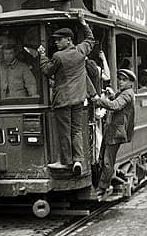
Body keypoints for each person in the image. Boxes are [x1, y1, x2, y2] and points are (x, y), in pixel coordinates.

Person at [37, 10, 95, 175]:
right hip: (79, 99)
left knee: (64, 131)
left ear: (68, 40)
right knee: (76, 130)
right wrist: (83, 23)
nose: (56, 42)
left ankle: (66, 161)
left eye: (59, 40)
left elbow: (47, 71)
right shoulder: (80, 51)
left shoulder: (58, 56)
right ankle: (78, 160)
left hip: (63, 100)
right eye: (55, 40)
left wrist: (42, 55)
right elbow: (90, 39)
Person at [93, 69, 136, 201]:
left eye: (124, 80)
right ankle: (100, 184)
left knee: (107, 160)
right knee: (102, 157)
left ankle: (103, 187)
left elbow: (116, 105)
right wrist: (112, 95)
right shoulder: (124, 93)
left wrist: (98, 100)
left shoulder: (127, 94)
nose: (120, 82)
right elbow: (116, 101)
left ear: (130, 83)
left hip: (116, 132)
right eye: (120, 79)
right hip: (112, 131)